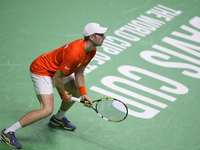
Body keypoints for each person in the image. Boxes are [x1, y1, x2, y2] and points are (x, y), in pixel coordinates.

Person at [0, 23, 108, 149]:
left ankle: (58, 119)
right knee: (46, 109)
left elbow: (79, 72)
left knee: (77, 91)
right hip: (42, 70)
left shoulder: (91, 50)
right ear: (91, 37)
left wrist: (84, 93)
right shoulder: (75, 53)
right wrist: (63, 96)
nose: (104, 37)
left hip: (59, 70)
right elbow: (57, 78)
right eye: (100, 34)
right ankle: (7, 133)